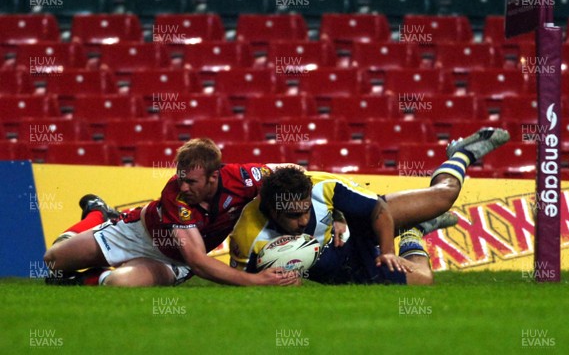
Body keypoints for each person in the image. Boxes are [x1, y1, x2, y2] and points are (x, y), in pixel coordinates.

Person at [229, 127, 510, 285]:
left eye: (306, 211)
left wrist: (388, 253)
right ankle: (415, 233)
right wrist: (274, 282)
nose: (303, 220)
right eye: (294, 215)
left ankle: (460, 154)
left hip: (360, 227)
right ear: (273, 210)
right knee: (424, 280)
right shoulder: (248, 234)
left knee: (444, 196)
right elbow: (240, 280)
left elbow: (378, 210)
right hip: (341, 267)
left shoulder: (321, 185)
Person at [44, 138, 300, 287]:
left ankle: (83, 280)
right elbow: (199, 261)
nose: (184, 186)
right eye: (181, 178)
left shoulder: (244, 179)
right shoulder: (175, 194)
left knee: (119, 284)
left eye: (192, 182)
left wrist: (336, 217)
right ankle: (98, 214)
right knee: (53, 260)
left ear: (214, 176)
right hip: (135, 234)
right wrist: (257, 281)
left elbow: (293, 171)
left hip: (172, 261)